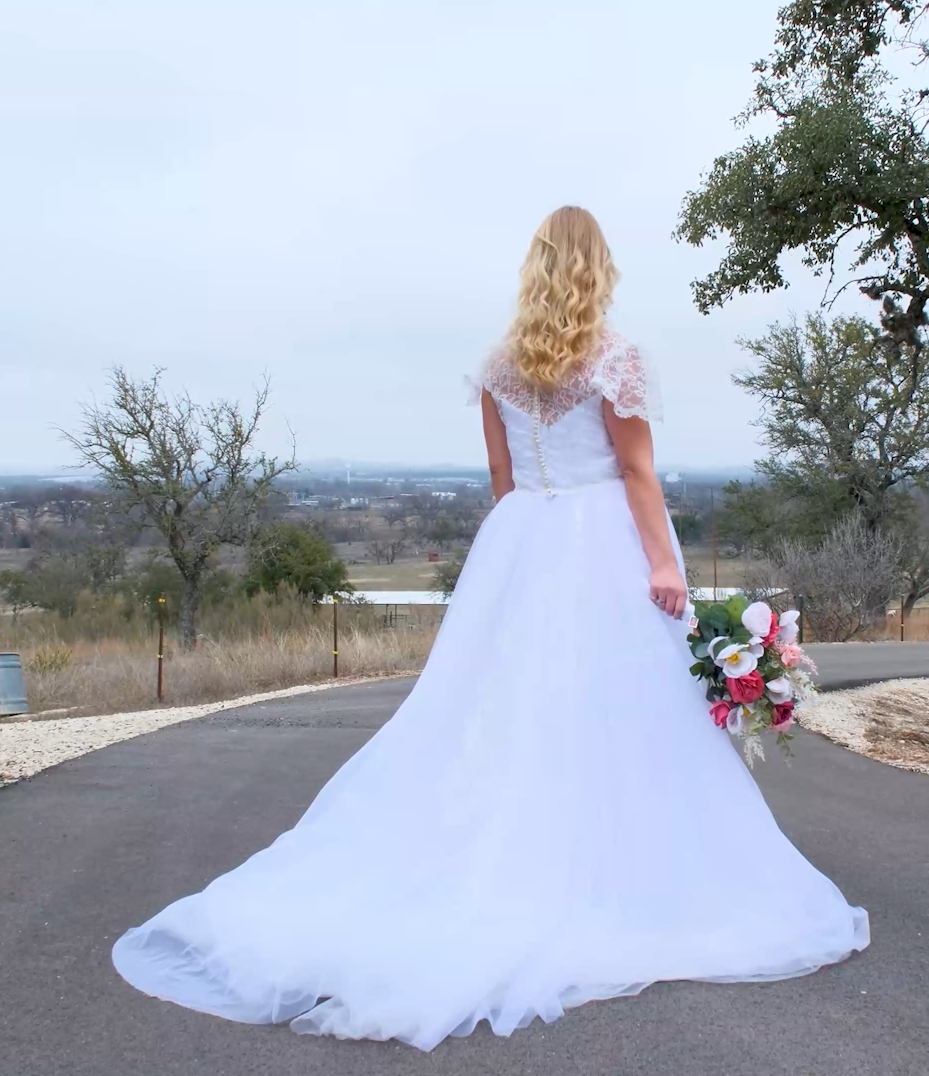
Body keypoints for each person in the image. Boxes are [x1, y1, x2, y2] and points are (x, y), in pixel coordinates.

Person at [111, 206, 868, 1050]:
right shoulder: (614, 358)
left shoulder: (499, 366)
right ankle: (606, 870)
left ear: (535, 267)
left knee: (510, 702)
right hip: (601, 541)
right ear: (598, 268)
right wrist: (663, 566)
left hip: (521, 542)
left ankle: (532, 850)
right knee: (619, 704)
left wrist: (523, 566)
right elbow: (637, 471)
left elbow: (503, 480)